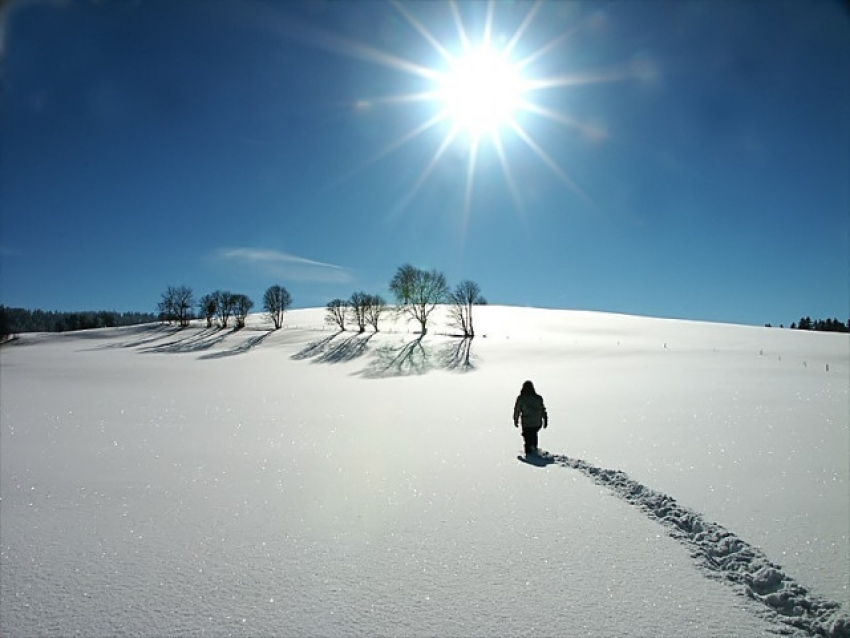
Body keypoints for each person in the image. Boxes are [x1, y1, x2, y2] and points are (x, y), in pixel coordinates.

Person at [513, 380, 548, 455]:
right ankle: (534, 448)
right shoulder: (538, 398)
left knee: (527, 437)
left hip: (527, 423)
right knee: (534, 434)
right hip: (537, 423)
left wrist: (515, 420)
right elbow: (542, 409)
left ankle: (529, 453)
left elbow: (517, 410)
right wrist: (545, 419)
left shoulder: (521, 398)